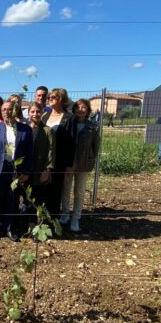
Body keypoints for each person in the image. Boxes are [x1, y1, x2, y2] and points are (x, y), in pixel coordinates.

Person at [0, 100, 33, 241]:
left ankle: (9, 228)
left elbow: (29, 153)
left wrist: (27, 172)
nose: (6, 112)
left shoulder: (25, 129)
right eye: (4, 109)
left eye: (9, 109)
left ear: (15, 111)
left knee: (12, 199)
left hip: (16, 170)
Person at [61, 99, 99, 232]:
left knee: (79, 192)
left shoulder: (92, 127)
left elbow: (96, 147)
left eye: (83, 107)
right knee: (65, 190)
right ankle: (65, 214)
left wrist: (89, 161)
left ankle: (76, 218)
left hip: (83, 165)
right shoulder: (68, 124)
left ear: (88, 110)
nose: (80, 110)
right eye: (77, 107)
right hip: (69, 163)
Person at [42, 88, 75, 218]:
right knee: (42, 190)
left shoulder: (69, 118)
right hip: (43, 160)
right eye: (49, 97)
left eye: (53, 97)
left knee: (55, 192)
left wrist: (69, 164)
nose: (49, 99)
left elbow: (71, 143)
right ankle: (41, 220)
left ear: (61, 99)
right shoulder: (45, 116)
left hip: (59, 160)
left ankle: (52, 220)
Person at [28, 102, 55, 222]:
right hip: (26, 171)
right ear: (28, 113)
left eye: (38, 111)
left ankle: (38, 226)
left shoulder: (47, 130)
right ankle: (28, 224)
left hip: (40, 170)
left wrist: (47, 169)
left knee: (39, 199)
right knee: (27, 199)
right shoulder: (24, 129)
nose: (35, 114)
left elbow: (51, 150)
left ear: (42, 113)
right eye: (32, 111)